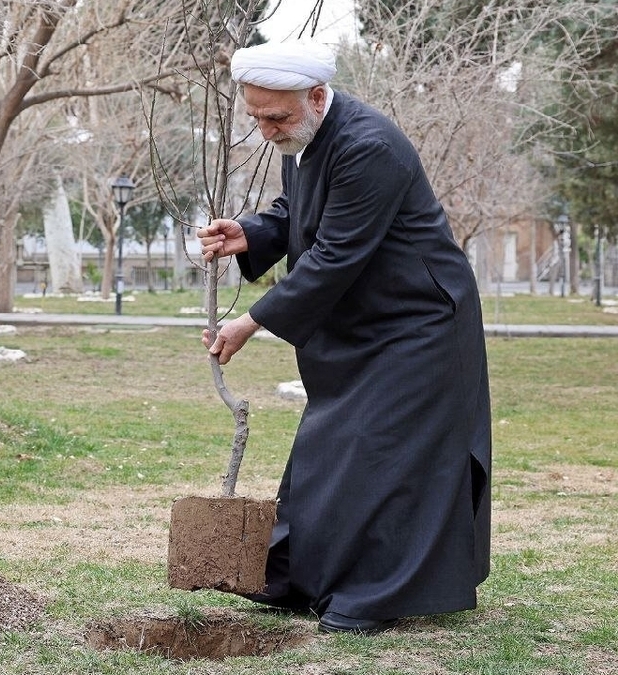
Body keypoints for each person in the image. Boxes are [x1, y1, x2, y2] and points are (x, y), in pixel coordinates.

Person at [198, 41, 491, 634]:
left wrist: (251, 322)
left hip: (418, 322)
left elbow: (334, 254)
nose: (265, 129)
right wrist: (250, 234)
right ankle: (304, 579)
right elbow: (297, 212)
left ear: (315, 97)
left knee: (381, 453)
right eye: (255, 116)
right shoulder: (300, 136)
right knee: (332, 447)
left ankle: (370, 595)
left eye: (274, 116)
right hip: (365, 320)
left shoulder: (368, 147)